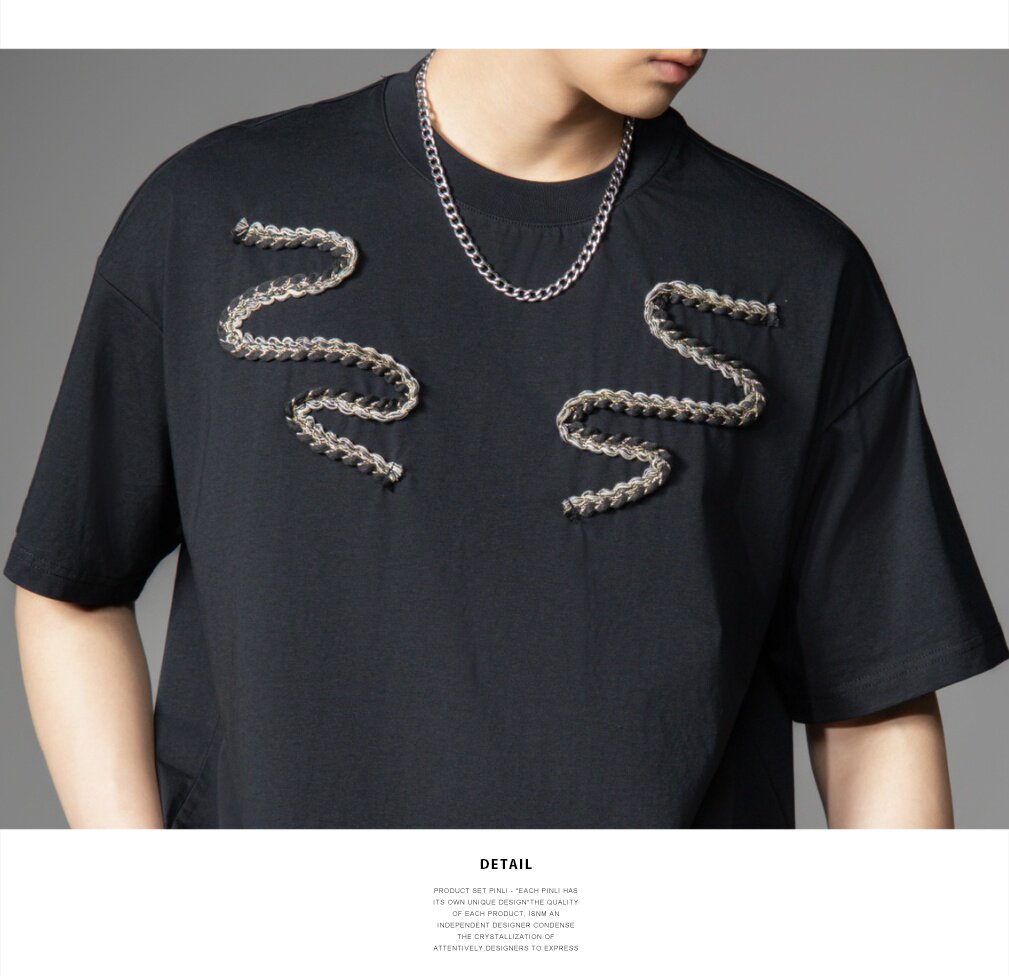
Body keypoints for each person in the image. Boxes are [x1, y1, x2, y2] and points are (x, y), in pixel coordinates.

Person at [6, 49, 1006, 829]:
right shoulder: (211, 213)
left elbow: (873, 697)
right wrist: (143, 911)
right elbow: (70, 579)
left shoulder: (794, 269)